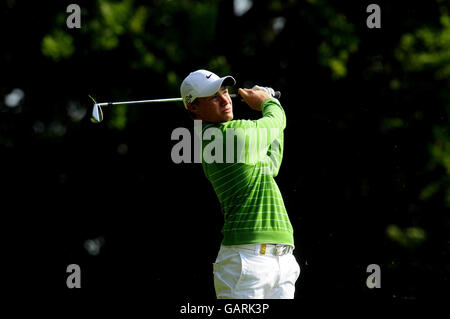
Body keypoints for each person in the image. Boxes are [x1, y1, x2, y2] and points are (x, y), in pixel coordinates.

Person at [180, 69, 300, 299]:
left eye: (224, 91)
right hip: (246, 262)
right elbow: (275, 121)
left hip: (281, 261)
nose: (225, 99)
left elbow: (271, 164)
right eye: (214, 96)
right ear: (194, 107)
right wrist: (269, 102)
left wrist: (270, 106)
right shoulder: (225, 137)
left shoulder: (226, 138)